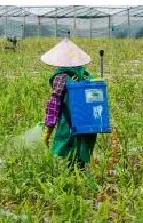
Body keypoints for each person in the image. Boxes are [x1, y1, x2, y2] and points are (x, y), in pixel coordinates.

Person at [41, 38, 97, 172]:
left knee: (66, 153)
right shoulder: (87, 76)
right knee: (81, 152)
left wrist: (48, 128)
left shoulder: (61, 76)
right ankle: (81, 174)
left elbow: (54, 103)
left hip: (69, 123)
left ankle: (70, 181)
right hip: (88, 122)